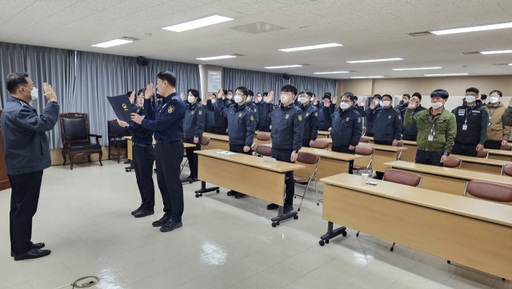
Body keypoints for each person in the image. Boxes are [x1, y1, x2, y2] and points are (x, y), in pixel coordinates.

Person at [2, 72, 59, 260]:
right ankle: (22, 250)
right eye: (32, 86)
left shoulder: (14, 106)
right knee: (25, 209)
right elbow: (44, 123)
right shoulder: (18, 110)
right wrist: (52, 102)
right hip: (25, 166)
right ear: (22, 89)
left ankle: (21, 244)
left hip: (21, 164)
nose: (34, 89)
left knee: (19, 208)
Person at [130, 71, 186, 233]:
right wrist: (147, 100)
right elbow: (153, 116)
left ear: (166, 83)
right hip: (160, 146)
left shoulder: (176, 103)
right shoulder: (164, 102)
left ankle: (176, 218)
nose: (157, 86)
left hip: (171, 146)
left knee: (172, 183)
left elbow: (159, 124)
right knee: (162, 182)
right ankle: (167, 214)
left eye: (158, 83)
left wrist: (142, 121)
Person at [263, 85, 304, 213]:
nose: (284, 94)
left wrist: (295, 150)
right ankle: (276, 200)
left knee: (288, 177)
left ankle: (288, 203)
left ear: (294, 96)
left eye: (288, 93)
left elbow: (298, 132)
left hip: (288, 149)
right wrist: (266, 104)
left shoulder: (296, 111)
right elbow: (264, 120)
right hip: (276, 147)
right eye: (283, 92)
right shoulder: (276, 110)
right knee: (276, 176)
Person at [210, 87, 256, 198]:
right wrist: (219, 98)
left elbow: (250, 130)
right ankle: (234, 188)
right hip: (232, 142)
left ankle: (243, 190)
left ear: (244, 97)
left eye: (239, 94)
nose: (236, 96)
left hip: (242, 144)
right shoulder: (231, 108)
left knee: (242, 169)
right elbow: (220, 111)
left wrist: (247, 144)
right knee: (234, 168)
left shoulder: (248, 112)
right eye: (236, 94)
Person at [117, 91, 155, 219]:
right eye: (139, 97)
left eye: (143, 98)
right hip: (137, 148)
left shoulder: (149, 113)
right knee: (139, 179)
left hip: (145, 149)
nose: (140, 100)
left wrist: (127, 125)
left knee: (146, 179)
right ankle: (144, 203)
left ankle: (149, 206)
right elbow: (132, 122)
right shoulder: (139, 112)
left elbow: (143, 132)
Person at [404, 89, 457, 166]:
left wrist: (446, 153)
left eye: (438, 98)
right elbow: (407, 123)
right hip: (421, 150)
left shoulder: (449, 116)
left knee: (434, 176)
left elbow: (451, 136)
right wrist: (409, 109)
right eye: (433, 98)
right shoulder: (422, 114)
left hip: (437, 152)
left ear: (445, 100)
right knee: (419, 172)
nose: (434, 100)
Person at [366, 94, 402, 179]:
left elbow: (398, 127)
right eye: (383, 100)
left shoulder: (395, 112)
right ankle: (379, 174)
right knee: (378, 158)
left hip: (388, 139)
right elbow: (369, 118)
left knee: (387, 159)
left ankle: (387, 175)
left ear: (391, 101)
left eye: (387, 99)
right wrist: (371, 109)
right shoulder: (378, 111)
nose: (385, 101)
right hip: (378, 138)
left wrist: (396, 139)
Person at [327, 92, 362, 174]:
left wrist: (353, 144)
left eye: (346, 101)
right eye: (342, 100)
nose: (343, 102)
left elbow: (358, 131)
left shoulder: (355, 114)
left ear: (352, 103)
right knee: (335, 166)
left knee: (347, 169)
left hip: (347, 146)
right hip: (335, 144)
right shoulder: (336, 112)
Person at [451, 87, 488, 157]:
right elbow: (451, 125)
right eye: (467, 95)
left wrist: (481, 142)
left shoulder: (482, 110)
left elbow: (484, 128)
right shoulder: (458, 109)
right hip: (457, 143)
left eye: (472, 95)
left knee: (469, 165)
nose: (469, 96)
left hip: (472, 144)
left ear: (477, 96)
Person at [181, 89, 205, 183]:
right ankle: (192, 174)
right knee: (190, 156)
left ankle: (196, 175)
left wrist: (197, 135)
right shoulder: (188, 107)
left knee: (194, 157)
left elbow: (200, 123)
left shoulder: (199, 108)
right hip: (187, 135)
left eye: (191, 95)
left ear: (196, 97)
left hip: (194, 136)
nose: (189, 96)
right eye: (188, 95)